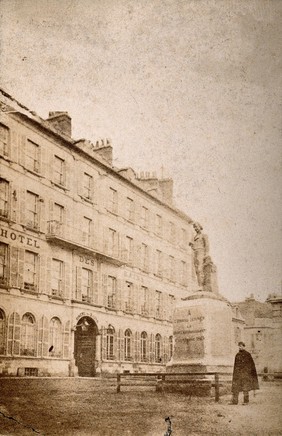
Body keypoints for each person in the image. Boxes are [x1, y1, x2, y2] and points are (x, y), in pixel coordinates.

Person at [189, 222, 209, 288]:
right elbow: (194, 247)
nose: (195, 229)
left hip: (201, 252)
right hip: (195, 252)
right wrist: (192, 245)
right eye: (194, 227)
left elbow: (207, 245)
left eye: (196, 227)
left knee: (200, 268)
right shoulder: (195, 237)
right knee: (196, 269)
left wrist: (206, 254)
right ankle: (199, 285)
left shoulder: (204, 235)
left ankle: (202, 285)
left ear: (200, 227)